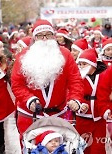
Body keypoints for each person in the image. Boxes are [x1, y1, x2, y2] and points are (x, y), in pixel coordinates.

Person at [11, 19, 84, 148]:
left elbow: (75, 80)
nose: (44, 38)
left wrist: (75, 99)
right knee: (31, 149)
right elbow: (17, 84)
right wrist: (29, 100)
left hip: (58, 115)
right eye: (40, 35)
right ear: (34, 38)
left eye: (48, 34)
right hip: (30, 115)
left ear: (53, 36)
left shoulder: (65, 54)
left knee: (60, 149)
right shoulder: (23, 56)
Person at [76, 48, 112, 153]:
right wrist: (79, 105)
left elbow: (105, 94)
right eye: (80, 64)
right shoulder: (78, 77)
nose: (81, 67)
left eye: (84, 64)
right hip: (82, 119)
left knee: (98, 148)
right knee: (83, 147)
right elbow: (73, 93)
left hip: (98, 119)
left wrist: (106, 109)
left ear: (93, 65)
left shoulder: (103, 75)